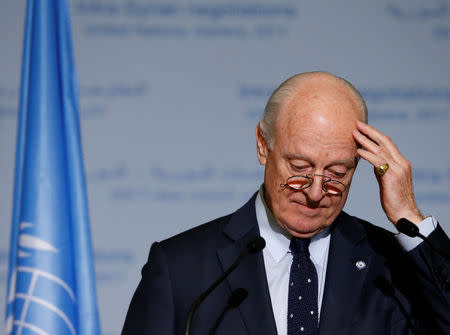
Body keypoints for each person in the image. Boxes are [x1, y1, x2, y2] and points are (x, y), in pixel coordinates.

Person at [122, 72, 449, 335]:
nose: (315, 192)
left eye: (337, 173)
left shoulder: (392, 266)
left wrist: (410, 218)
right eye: (299, 168)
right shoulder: (181, 268)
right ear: (264, 146)